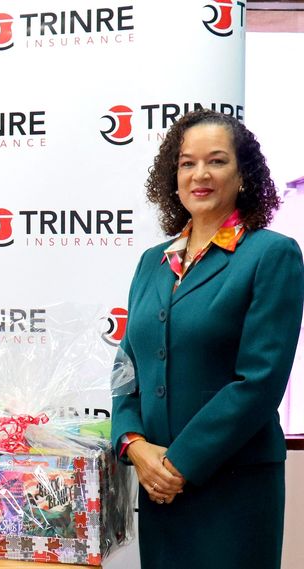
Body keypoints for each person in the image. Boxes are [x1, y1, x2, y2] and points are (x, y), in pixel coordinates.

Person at [111, 110, 304, 569]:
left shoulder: (272, 255)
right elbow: (127, 367)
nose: (200, 174)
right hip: (158, 489)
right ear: (173, 177)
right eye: (187, 163)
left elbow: (259, 381)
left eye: (216, 161)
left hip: (233, 489)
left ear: (243, 175)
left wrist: (179, 464)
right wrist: (133, 444)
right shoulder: (152, 262)